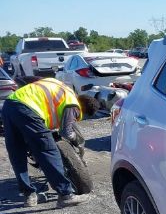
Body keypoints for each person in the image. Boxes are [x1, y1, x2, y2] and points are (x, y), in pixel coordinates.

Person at [1, 78, 97, 207]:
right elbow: (66, 132)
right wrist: (75, 140)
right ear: (82, 109)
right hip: (27, 109)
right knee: (48, 151)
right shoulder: (72, 103)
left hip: (9, 105)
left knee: (17, 153)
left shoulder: (60, 86)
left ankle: (29, 196)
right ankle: (66, 195)